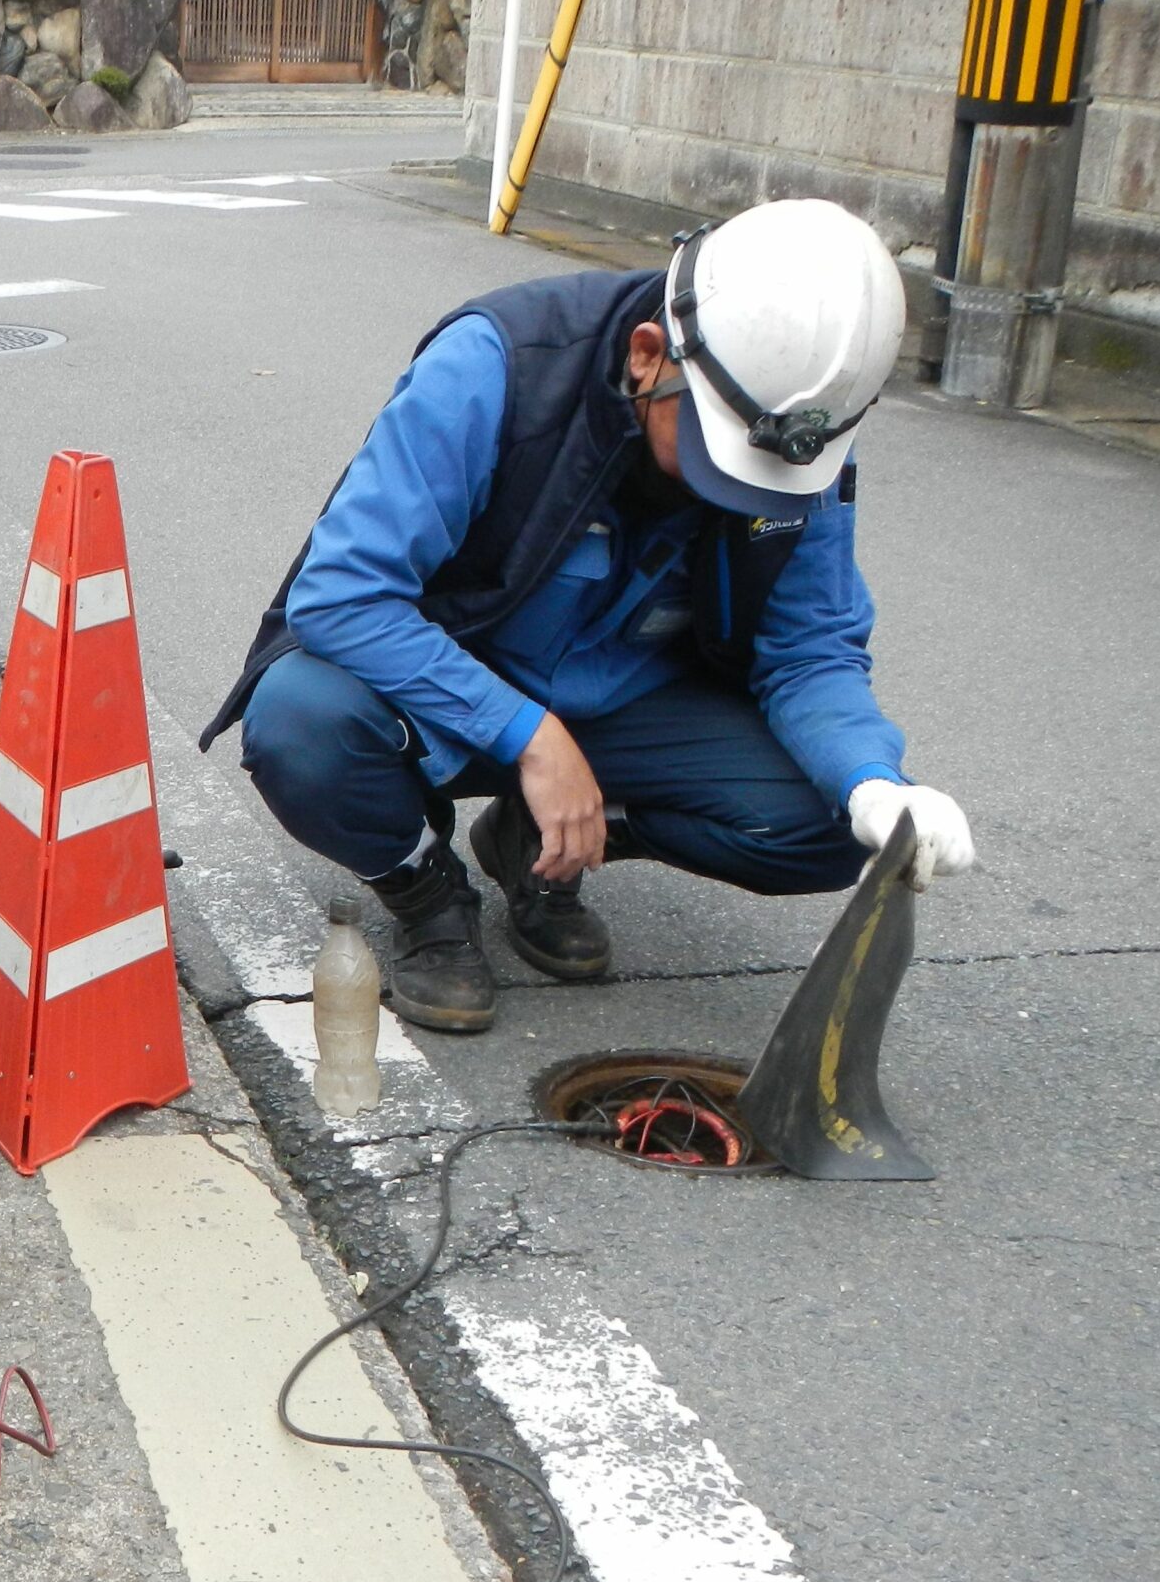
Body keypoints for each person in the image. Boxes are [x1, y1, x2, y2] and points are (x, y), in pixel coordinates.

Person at [203, 199, 976, 1034]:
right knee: (299, 726)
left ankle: (542, 843)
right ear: (650, 358)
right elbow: (342, 594)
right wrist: (528, 736)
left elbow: (810, 650)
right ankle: (426, 890)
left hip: (625, 707)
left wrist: (872, 783)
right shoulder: (499, 365)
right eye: (720, 453)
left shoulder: (799, 434)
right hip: (449, 685)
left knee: (838, 827)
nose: (744, 490)